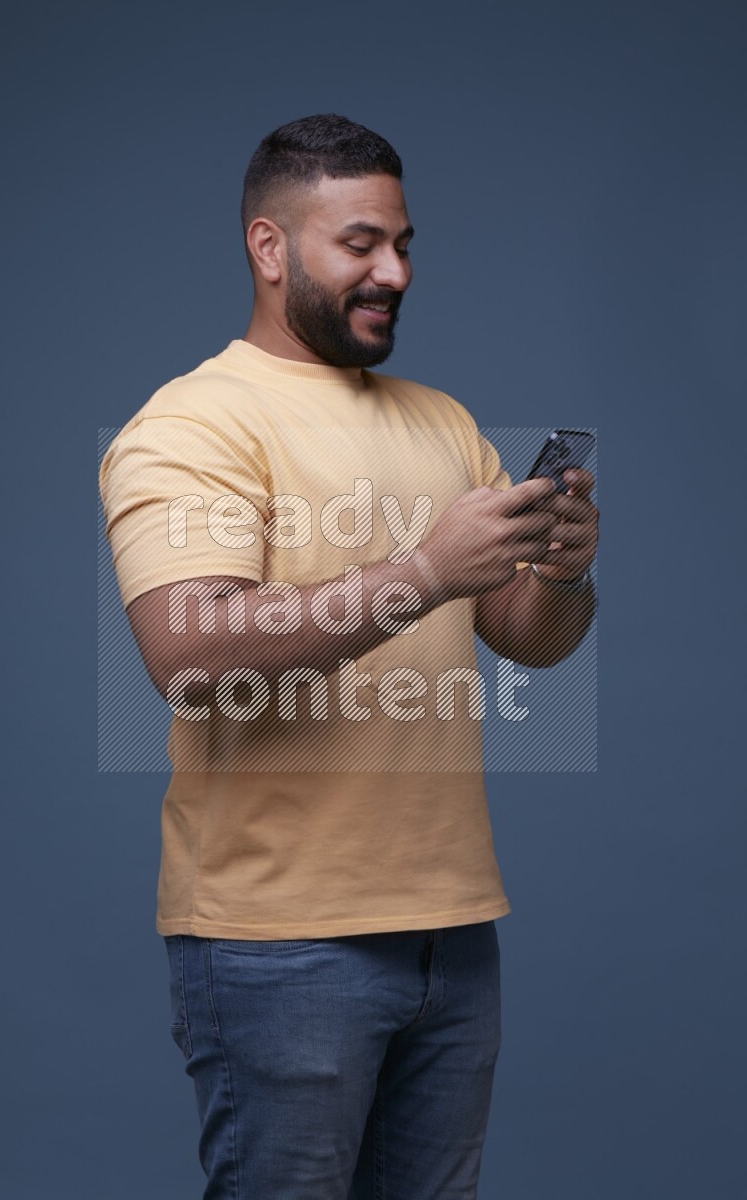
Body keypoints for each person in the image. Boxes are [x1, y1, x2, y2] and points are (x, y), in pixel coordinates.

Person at [99, 113, 599, 1200]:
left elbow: (529, 640)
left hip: (453, 933)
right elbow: (186, 654)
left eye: (404, 244)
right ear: (268, 248)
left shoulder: (443, 421)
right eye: (359, 244)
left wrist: (556, 572)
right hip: (278, 944)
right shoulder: (191, 425)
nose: (394, 273)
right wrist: (426, 567)